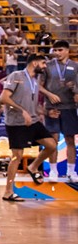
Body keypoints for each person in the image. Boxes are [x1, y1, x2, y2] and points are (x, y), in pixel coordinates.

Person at [1, 55, 57, 200]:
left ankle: (33, 167)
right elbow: (4, 98)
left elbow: (34, 94)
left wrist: (46, 110)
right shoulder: (16, 75)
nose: (44, 66)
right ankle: (8, 191)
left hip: (33, 120)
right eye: (43, 63)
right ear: (34, 62)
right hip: (16, 122)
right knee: (16, 157)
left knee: (51, 145)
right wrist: (22, 110)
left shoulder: (35, 79)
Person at [42, 40, 78, 182]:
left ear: (67, 50)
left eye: (60, 50)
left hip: (69, 107)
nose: (57, 53)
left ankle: (71, 171)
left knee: (70, 140)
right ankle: (53, 171)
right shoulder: (48, 66)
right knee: (53, 141)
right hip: (52, 108)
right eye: (55, 50)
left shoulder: (75, 67)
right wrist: (50, 95)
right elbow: (39, 86)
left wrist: (74, 89)